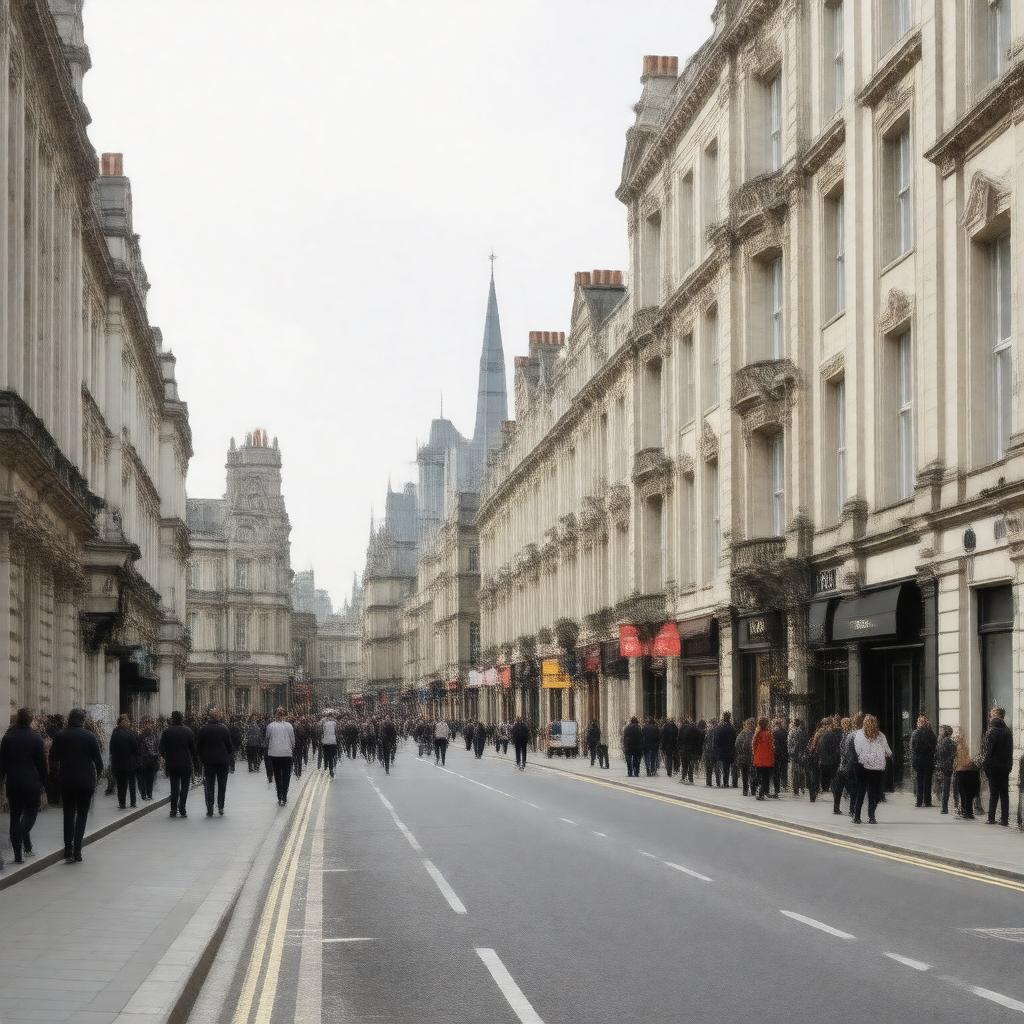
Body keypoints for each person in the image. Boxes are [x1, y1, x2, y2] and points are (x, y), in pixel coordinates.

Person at [49, 709, 104, 863]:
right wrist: (97, 777)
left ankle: (68, 849)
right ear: (82, 720)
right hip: (86, 782)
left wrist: (55, 774)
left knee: (68, 814)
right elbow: (98, 761)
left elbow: (52, 757)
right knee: (82, 815)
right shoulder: (90, 736)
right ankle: (77, 850)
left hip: (67, 780)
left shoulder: (60, 735)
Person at [0, 707, 47, 864]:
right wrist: (44, 785)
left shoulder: (7, 738)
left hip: (13, 783)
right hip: (31, 783)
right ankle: (19, 836)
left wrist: (1, 784)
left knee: (14, 817)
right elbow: (42, 765)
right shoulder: (36, 738)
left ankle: (18, 855)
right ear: (31, 719)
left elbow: (2, 765)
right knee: (31, 814)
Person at [852, 714, 892, 824]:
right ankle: (872, 817)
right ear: (875, 723)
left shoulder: (858, 734)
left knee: (860, 792)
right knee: (873, 793)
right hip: (877, 769)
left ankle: (857, 817)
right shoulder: (881, 736)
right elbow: (888, 752)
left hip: (863, 767)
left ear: (864, 723)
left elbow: (857, 751)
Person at [160, 710, 199, 819]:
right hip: (186, 763)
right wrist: (194, 760)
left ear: (172, 719)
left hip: (172, 763)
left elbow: (162, 749)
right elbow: (193, 749)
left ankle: (173, 809)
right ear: (182, 719)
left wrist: (165, 758)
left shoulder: (167, 732)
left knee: (174, 787)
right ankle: (182, 808)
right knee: (185, 787)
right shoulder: (188, 731)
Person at [197, 708, 234, 817]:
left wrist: (202, 758)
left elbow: (199, 746)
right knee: (222, 785)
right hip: (222, 762)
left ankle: (210, 807)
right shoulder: (224, 729)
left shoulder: (204, 729)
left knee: (209, 785)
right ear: (218, 717)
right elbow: (229, 746)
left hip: (208, 762)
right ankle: (221, 806)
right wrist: (227, 755)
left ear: (209, 716)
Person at [982, 706, 1014, 826]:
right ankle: (1004, 819)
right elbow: (1010, 751)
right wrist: (1009, 765)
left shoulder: (991, 731)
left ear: (996, 715)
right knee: (1004, 794)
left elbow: (988, 751)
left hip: (993, 767)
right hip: (1005, 766)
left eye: (992, 713)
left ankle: (991, 818)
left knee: (994, 793)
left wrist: (985, 766)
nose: (990, 715)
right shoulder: (1007, 731)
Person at [109, 714, 140, 810]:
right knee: (131, 783)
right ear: (124, 722)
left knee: (121, 784)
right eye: (127, 721)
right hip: (129, 763)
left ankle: (122, 803)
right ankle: (133, 802)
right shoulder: (130, 734)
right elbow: (135, 749)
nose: (129, 723)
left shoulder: (115, 734)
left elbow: (111, 749)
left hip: (118, 763)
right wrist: (137, 760)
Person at [266, 707, 296, 806]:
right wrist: (292, 747)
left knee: (278, 776)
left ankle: (279, 796)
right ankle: (284, 796)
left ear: (275, 716)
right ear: (284, 716)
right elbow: (292, 739)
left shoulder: (270, 726)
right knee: (286, 776)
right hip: (287, 754)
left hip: (275, 754)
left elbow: (267, 738)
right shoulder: (289, 726)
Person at [910, 715, 937, 808]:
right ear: (926, 723)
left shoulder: (915, 733)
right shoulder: (931, 733)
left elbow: (912, 747)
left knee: (919, 781)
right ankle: (927, 801)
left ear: (918, 723)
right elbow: (934, 747)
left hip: (918, 760)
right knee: (928, 781)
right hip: (928, 760)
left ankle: (919, 802)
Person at [953, 728, 980, 819]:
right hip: (968, 771)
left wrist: (955, 767)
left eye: (957, 734)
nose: (955, 737)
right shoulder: (963, 746)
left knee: (964, 793)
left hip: (962, 771)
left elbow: (959, 761)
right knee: (967, 794)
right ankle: (967, 812)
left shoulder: (959, 747)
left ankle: (966, 812)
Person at [137, 717, 161, 800]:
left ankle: (149, 793)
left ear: (152, 725)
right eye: (146, 724)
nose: (148, 725)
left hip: (153, 759)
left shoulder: (155, 735)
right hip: (144, 760)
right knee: (143, 779)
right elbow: (138, 748)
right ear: (144, 725)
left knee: (150, 778)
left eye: (149, 724)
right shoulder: (141, 736)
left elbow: (157, 747)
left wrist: (158, 758)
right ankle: (143, 794)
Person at [751, 718, 774, 800]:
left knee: (760, 776)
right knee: (765, 776)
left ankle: (760, 791)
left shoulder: (757, 734)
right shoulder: (769, 734)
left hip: (758, 758)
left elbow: (753, 745)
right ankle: (762, 793)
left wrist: (755, 754)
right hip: (767, 758)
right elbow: (771, 746)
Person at [935, 724, 955, 815]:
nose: (940, 732)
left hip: (944, 766)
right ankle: (944, 807)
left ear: (946, 732)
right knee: (943, 787)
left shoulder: (946, 741)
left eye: (941, 730)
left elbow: (951, 755)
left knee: (945, 787)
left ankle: (944, 808)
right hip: (943, 766)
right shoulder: (942, 741)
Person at [714, 712, 737, 788]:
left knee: (721, 768)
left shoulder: (719, 728)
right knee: (727, 768)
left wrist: (717, 749)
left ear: (723, 718)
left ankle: (720, 782)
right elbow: (735, 740)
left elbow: (716, 740)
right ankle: (726, 782)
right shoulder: (732, 728)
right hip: (730, 751)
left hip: (721, 751)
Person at [734, 718, 754, 796]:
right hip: (747, 758)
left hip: (747, 757)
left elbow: (736, 745)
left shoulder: (742, 734)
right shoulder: (749, 734)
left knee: (748, 774)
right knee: (747, 774)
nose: (751, 726)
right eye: (749, 724)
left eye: (751, 724)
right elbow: (737, 745)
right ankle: (747, 789)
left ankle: (749, 789)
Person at [788, 718, 808, 796]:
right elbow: (806, 744)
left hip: (794, 755)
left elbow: (789, 744)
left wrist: (790, 754)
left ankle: (796, 789)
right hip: (802, 754)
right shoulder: (804, 732)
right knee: (801, 771)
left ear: (793, 724)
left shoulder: (791, 732)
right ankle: (802, 787)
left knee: (794, 772)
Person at [320, 713, 339, 778]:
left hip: (325, 742)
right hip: (333, 742)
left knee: (326, 755)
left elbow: (321, 732)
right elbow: (337, 732)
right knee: (332, 756)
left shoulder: (323, 723)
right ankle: (331, 769)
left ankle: (325, 766)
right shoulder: (335, 723)